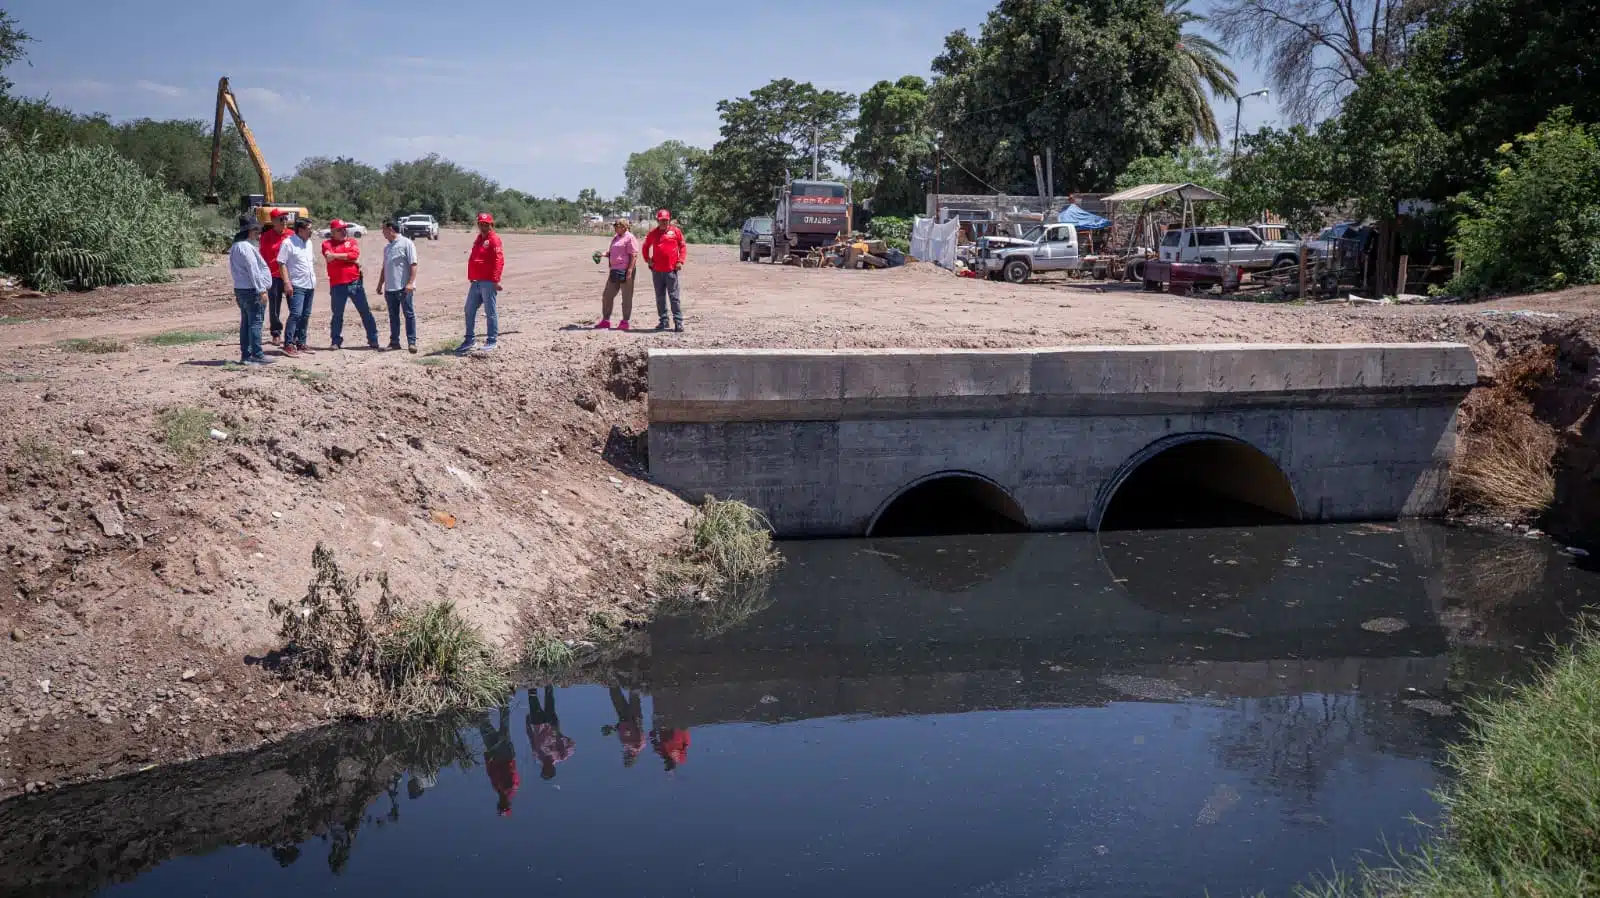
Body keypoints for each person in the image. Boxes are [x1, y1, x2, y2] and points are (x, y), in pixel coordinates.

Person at [322, 219, 378, 350]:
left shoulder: (352, 241)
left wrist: (336, 256)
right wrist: (345, 257)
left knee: (365, 312)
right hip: (337, 284)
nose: (343, 231)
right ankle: (335, 341)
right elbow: (329, 257)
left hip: (354, 283)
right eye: (340, 230)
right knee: (337, 315)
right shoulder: (326, 243)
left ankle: (373, 339)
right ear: (333, 232)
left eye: (344, 229)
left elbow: (354, 255)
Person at [227, 215, 273, 366]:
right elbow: (253, 270)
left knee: (246, 323)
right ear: (249, 231)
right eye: (256, 230)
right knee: (255, 322)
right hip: (251, 290)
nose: (259, 234)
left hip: (241, 289)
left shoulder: (235, 246)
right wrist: (262, 290)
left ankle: (246, 355)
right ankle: (257, 354)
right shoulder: (246, 247)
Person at [457, 212, 503, 354]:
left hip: (488, 281)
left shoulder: (494, 240)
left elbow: (498, 261)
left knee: (490, 311)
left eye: (486, 224)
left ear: (491, 225)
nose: (483, 227)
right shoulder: (478, 239)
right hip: (476, 281)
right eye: (481, 224)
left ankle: (491, 340)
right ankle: (469, 339)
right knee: (469, 309)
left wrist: (496, 280)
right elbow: (474, 258)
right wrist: (471, 275)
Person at [276, 218, 317, 357]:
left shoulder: (309, 243)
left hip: (309, 284)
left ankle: (301, 342)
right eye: (309, 228)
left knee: (305, 315)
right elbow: (281, 263)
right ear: (301, 230)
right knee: (296, 314)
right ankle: (288, 344)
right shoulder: (288, 243)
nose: (311, 230)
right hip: (296, 285)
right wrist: (287, 282)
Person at [640, 208, 687, 332]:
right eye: (661, 220)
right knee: (660, 297)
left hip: (671, 270)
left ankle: (678, 322)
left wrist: (680, 261)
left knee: (674, 297)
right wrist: (647, 259)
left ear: (669, 220)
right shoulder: (653, 233)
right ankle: (663, 321)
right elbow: (645, 247)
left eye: (666, 220)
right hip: (657, 271)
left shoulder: (675, 232)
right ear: (658, 220)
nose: (664, 223)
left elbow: (682, 246)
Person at [377, 221, 419, 352]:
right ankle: (394, 342)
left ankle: (411, 342)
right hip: (390, 288)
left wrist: (411, 283)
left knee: (409, 314)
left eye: (383, 229)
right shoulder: (387, 248)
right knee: (393, 316)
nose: (382, 232)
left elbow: (413, 264)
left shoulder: (406, 243)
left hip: (404, 288)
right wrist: (380, 284)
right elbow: (385, 267)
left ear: (390, 229)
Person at [595, 218, 639, 330]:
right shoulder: (616, 238)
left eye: (617, 225)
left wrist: (629, 271)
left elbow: (633, 255)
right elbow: (612, 253)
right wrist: (602, 254)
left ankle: (625, 321)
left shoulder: (630, 238)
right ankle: (606, 320)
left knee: (626, 297)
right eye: (614, 225)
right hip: (614, 270)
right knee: (607, 295)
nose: (614, 227)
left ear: (624, 227)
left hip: (625, 271)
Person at [526, 685, 575, 780]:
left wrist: (527, 725)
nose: (546, 767)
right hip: (552, 724)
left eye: (544, 770)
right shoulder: (561, 756)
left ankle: (530, 678)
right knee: (549, 697)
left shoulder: (538, 755)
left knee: (532, 696)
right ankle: (548, 677)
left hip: (537, 723)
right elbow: (571, 744)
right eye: (548, 770)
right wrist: (560, 736)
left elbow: (531, 737)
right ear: (553, 768)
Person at [479, 703, 519, 817]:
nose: (502, 804)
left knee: (484, 727)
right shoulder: (511, 787)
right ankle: (504, 698)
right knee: (504, 727)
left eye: (500, 806)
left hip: (494, 755)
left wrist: (487, 758)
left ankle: (481, 703)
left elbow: (490, 773)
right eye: (504, 806)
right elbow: (511, 770)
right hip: (504, 754)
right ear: (508, 804)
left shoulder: (498, 789)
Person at [258, 209, 291, 346]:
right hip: (273, 277)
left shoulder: (291, 235)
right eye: (280, 219)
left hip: (290, 276)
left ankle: (294, 333)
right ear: (273, 222)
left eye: (285, 219)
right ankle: (276, 333)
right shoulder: (266, 237)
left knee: (294, 306)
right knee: (274, 307)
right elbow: (263, 258)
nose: (284, 222)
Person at [601, 685, 646, 767]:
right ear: (633, 756)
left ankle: (613, 680)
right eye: (628, 757)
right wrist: (634, 748)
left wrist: (612, 728)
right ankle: (635, 676)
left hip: (623, 717)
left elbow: (621, 729)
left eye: (625, 757)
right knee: (634, 694)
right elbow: (639, 733)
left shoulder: (625, 744)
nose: (626, 755)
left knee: (615, 695)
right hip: (634, 718)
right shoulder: (638, 745)